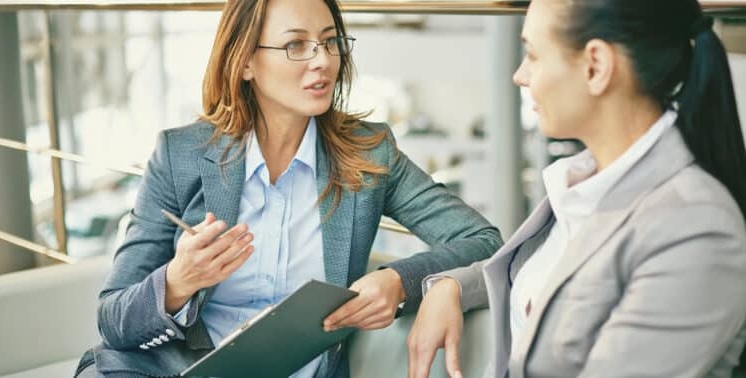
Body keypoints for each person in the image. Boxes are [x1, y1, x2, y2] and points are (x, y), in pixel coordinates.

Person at [73, 0, 502, 377]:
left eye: (331, 41)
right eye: (296, 45)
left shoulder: (370, 155)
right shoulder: (179, 154)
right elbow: (114, 319)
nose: (322, 60)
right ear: (245, 62)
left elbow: (483, 240)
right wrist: (177, 282)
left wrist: (398, 280)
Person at [407, 0, 746, 377]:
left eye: (532, 55)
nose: (520, 75)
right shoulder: (583, 185)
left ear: (595, 66)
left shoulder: (693, 227)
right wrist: (452, 286)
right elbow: (554, 278)